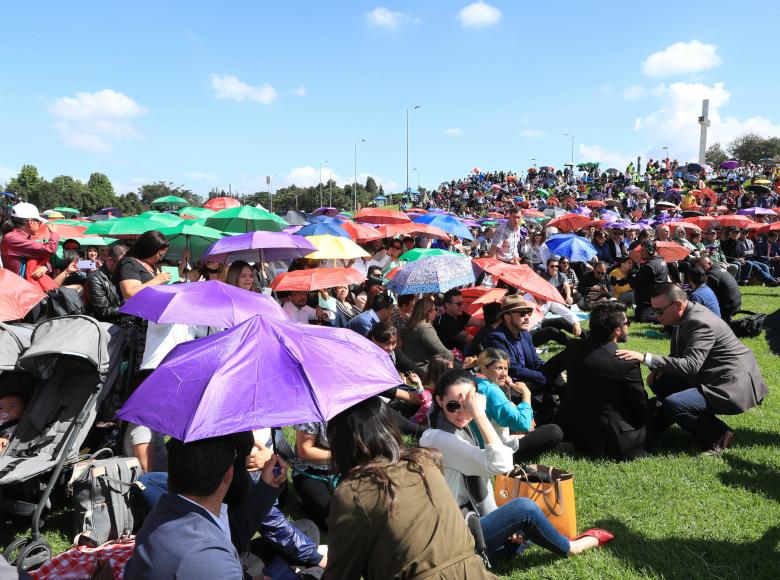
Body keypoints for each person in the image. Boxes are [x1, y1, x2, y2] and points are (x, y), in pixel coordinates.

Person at [420, 370, 613, 565]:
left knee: (520, 530)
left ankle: (497, 551)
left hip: (462, 523)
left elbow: (485, 479)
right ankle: (572, 547)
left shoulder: (453, 428)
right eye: (453, 406)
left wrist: (500, 521)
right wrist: (479, 414)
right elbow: (500, 463)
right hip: (452, 536)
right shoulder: (439, 438)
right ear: (439, 401)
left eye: (468, 405)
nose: (462, 413)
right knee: (525, 508)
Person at [324, 397, 497, 579]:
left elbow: (340, 573)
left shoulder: (353, 492)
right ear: (390, 427)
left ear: (341, 443)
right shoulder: (425, 461)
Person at [616, 283, 769, 454]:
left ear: (679, 305)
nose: (656, 316)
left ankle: (719, 434)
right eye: (654, 310)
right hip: (717, 373)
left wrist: (646, 358)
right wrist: (662, 368)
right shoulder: (685, 315)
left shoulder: (699, 322)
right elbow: (682, 355)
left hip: (732, 384)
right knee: (661, 381)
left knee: (675, 404)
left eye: (659, 311)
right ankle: (669, 419)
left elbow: (690, 366)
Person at [125, 434, 288, 579]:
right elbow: (215, 556)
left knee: (306, 529)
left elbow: (231, 538)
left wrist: (268, 487)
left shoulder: (166, 509)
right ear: (229, 475)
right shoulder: (211, 559)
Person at [543, 303, 653, 460]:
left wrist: (564, 389)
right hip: (607, 438)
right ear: (617, 330)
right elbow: (639, 404)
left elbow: (547, 372)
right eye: (627, 323)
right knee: (659, 407)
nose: (628, 326)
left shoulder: (574, 348)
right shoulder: (625, 360)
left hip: (570, 427)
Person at [482, 296, 561, 423]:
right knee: (552, 381)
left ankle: (566, 409)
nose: (527, 317)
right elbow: (514, 369)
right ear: (507, 317)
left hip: (529, 381)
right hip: (513, 386)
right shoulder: (496, 338)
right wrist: (543, 377)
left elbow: (535, 361)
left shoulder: (525, 334)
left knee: (559, 369)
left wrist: (549, 369)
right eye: (522, 313)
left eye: (528, 312)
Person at [475, 349, 564, 461]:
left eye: (505, 368)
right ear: (484, 368)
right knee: (554, 431)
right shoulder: (491, 390)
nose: (504, 373)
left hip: (478, 445)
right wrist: (526, 394)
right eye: (498, 368)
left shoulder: (475, 380)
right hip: (495, 452)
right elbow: (524, 425)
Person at [0, 202, 60, 289]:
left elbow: (40, 255)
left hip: (24, 287)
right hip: (18, 290)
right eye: (39, 222)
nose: (40, 224)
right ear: (30, 222)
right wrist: (54, 233)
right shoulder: (13, 238)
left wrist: (44, 267)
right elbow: (50, 249)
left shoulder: (21, 237)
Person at [291, 421, 334, 531]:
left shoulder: (359, 406)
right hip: (310, 471)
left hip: (345, 467)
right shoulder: (312, 410)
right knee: (333, 522)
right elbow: (305, 451)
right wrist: (341, 454)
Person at [116, 230, 172, 299]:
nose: (160, 259)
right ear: (149, 250)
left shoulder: (152, 266)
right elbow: (129, 294)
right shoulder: (129, 264)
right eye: (160, 255)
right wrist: (157, 280)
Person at [400, 297, 450, 372]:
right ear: (429, 313)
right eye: (435, 309)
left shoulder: (410, 324)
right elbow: (444, 353)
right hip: (423, 370)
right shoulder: (424, 328)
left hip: (411, 368)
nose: (436, 312)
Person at [87, 243, 128, 322]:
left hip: (127, 320)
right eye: (121, 264)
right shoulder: (95, 279)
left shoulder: (124, 272)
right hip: (110, 325)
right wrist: (130, 306)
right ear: (109, 260)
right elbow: (104, 312)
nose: (125, 267)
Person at [629, 240, 668, 322]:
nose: (640, 253)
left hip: (648, 304)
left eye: (642, 251)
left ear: (650, 250)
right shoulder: (661, 261)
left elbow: (634, 284)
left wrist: (630, 272)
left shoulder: (650, 266)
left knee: (641, 318)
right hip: (657, 301)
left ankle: (662, 317)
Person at [695, 256, 741, 322]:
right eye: (698, 267)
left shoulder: (712, 275)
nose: (700, 270)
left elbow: (705, 294)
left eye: (702, 267)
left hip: (728, 307)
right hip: (735, 304)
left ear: (709, 263)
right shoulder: (718, 269)